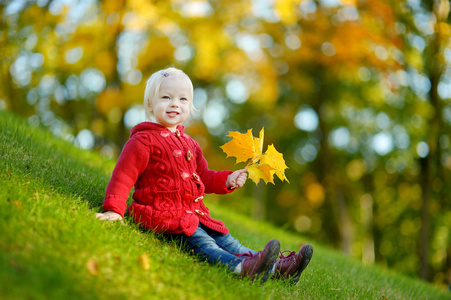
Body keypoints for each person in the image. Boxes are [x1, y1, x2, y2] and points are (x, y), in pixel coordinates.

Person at [95, 67, 313, 284]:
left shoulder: (191, 144)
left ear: (190, 106)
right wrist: (114, 210)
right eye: (166, 97)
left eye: (182, 99)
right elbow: (123, 176)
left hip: (196, 216)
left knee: (230, 242)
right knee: (205, 244)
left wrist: (227, 179)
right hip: (166, 217)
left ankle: (278, 269)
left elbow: (205, 176)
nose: (174, 104)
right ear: (150, 104)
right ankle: (240, 267)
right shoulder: (142, 141)